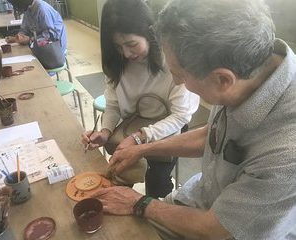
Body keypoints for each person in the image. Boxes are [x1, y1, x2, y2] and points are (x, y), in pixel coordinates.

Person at [92, 0, 296, 239]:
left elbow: (217, 229)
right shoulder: (247, 73)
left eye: (178, 74)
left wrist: (139, 203)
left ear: (222, 79)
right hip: (201, 195)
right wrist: (142, 148)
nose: (177, 82)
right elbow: (213, 133)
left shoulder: (285, 155)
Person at [82, 0, 199, 198]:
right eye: (118, 47)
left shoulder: (171, 59)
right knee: (120, 177)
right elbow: (112, 105)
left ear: (149, 32)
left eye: (131, 44)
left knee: (157, 184)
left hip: (167, 128)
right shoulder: (117, 62)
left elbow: (181, 116)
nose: (126, 53)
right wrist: (105, 131)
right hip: (133, 127)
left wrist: (139, 138)